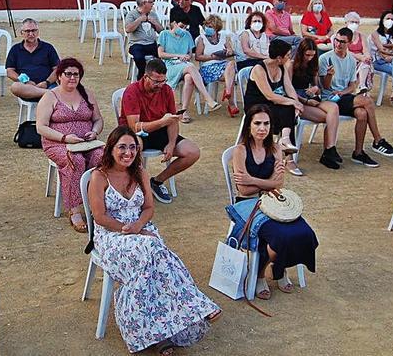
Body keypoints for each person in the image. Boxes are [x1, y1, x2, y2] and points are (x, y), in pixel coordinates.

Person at [88, 126, 220, 355]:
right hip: (111, 236)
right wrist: (129, 230)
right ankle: (194, 306)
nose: (128, 152)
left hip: (142, 229)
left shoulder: (138, 172)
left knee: (154, 258)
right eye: (122, 147)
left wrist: (139, 226)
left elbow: (149, 208)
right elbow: (99, 217)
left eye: (132, 147)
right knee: (154, 249)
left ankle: (159, 334)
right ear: (110, 149)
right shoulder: (99, 176)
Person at [229, 105, 319, 298]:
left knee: (304, 233)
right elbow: (243, 190)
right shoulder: (240, 151)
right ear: (249, 126)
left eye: (266, 123)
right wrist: (267, 183)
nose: (262, 128)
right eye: (257, 123)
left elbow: (277, 183)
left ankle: (279, 267)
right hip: (247, 203)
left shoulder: (276, 149)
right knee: (279, 237)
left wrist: (252, 180)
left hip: (273, 200)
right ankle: (261, 273)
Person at [118, 58, 201, 204]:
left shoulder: (166, 90)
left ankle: (156, 181)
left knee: (193, 152)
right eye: (156, 81)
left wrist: (171, 143)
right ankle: (131, 185)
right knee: (133, 148)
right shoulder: (132, 91)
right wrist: (163, 121)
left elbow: (173, 120)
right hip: (135, 133)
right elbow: (134, 126)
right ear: (145, 77)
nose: (160, 85)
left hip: (159, 131)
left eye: (163, 80)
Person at [36, 59, 104, 233]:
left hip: (86, 142)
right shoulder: (50, 96)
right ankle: (73, 208)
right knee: (76, 160)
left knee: (102, 156)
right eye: (68, 74)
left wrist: (95, 132)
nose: (72, 78)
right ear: (59, 76)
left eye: (76, 74)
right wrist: (65, 138)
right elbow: (41, 127)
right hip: (57, 143)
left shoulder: (87, 93)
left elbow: (97, 119)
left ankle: (96, 202)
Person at [319, 27, 393, 167]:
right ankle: (378, 140)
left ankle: (358, 152)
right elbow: (324, 87)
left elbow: (352, 85)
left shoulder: (350, 59)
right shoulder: (325, 58)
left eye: (342, 42)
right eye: (337, 40)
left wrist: (343, 92)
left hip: (343, 97)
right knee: (367, 101)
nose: (338, 44)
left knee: (362, 114)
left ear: (349, 43)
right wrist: (330, 76)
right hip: (329, 99)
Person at [288, 38, 342, 170]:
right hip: (298, 99)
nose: (310, 58)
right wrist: (305, 100)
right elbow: (288, 90)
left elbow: (318, 86)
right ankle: (328, 151)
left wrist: (316, 89)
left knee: (334, 108)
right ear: (301, 53)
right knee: (329, 118)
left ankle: (330, 149)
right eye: (307, 55)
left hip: (311, 96)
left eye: (312, 55)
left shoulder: (313, 65)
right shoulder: (291, 64)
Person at [242, 39, 302, 157]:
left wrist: (296, 103)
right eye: (288, 55)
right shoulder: (259, 69)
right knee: (286, 107)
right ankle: (288, 155)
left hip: (271, 103)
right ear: (279, 58)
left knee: (289, 107)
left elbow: (289, 87)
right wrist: (293, 102)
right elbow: (269, 95)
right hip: (256, 104)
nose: (290, 58)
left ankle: (285, 139)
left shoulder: (281, 67)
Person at [157, 17, 222, 121]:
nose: (184, 29)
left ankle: (183, 111)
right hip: (169, 66)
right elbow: (161, 54)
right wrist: (178, 56)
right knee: (191, 67)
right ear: (174, 23)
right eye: (182, 26)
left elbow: (189, 54)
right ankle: (207, 97)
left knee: (189, 78)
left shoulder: (187, 35)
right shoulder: (164, 34)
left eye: (186, 27)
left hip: (184, 65)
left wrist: (187, 56)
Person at [195, 14, 239, 117]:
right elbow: (198, 57)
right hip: (208, 67)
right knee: (230, 76)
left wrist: (228, 52)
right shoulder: (202, 39)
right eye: (207, 26)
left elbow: (230, 50)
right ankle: (231, 104)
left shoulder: (223, 37)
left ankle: (228, 91)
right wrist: (213, 57)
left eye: (211, 27)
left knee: (231, 64)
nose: (208, 28)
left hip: (223, 66)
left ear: (216, 28)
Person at [6, 18, 60, 102]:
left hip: (47, 85)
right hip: (26, 88)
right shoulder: (15, 49)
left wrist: (47, 82)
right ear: (22, 33)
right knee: (15, 87)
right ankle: (48, 93)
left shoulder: (48, 47)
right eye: (27, 31)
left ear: (38, 32)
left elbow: (57, 69)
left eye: (34, 30)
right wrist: (25, 81)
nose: (31, 34)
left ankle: (47, 93)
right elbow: (10, 71)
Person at [369, 10, 393, 108]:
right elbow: (381, 48)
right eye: (387, 19)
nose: (390, 21)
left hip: (390, 60)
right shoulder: (375, 34)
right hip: (378, 61)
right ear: (382, 20)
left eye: (392, 19)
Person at [125, 0, 163, 80]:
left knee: (162, 55)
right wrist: (139, 20)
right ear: (144, 3)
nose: (153, 4)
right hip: (136, 44)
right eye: (151, 2)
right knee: (139, 57)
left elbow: (161, 31)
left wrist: (155, 23)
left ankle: (159, 77)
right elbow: (128, 29)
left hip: (151, 43)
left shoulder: (153, 14)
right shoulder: (132, 14)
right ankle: (142, 76)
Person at [342, 11, 373, 94]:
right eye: (352, 22)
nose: (354, 24)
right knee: (362, 62)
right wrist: (359, 57)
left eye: (356, 22)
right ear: (346, 22)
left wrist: (366, 56)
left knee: (366, 62)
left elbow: (365, 50)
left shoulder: (361, 36)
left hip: (360, 60)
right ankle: (358, 87)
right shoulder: (342, 35)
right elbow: (344, 50)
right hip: (346, 59)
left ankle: (361, 85)